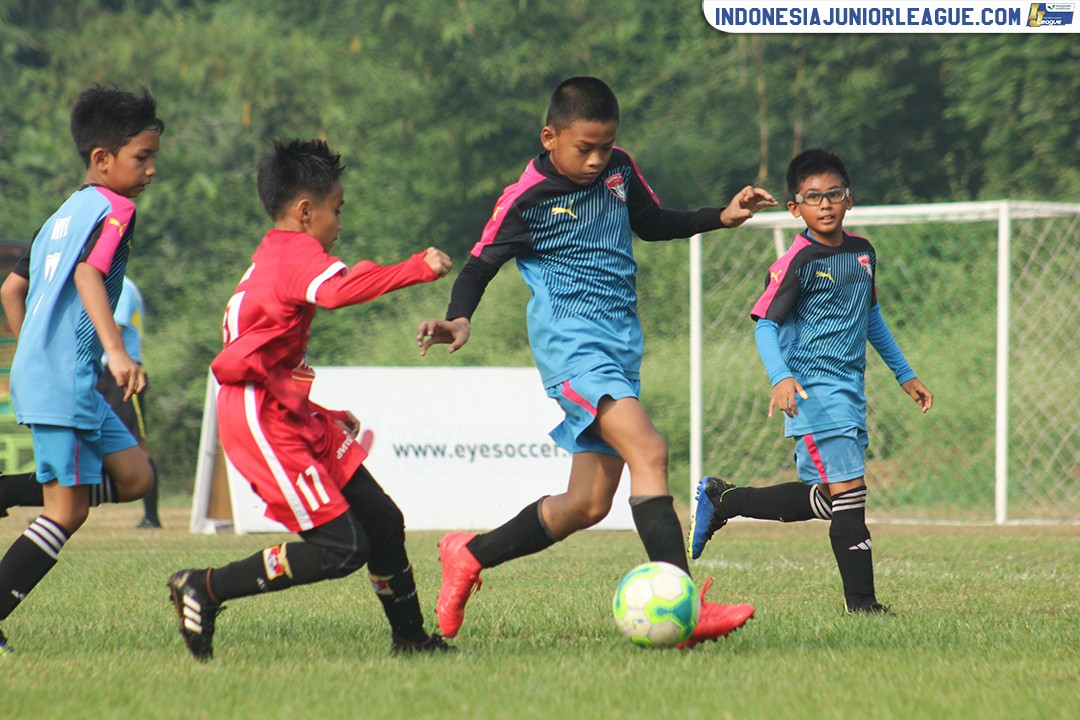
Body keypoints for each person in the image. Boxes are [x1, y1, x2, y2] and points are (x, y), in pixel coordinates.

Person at [417, 76, 775, 648]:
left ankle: (468, 553)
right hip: (573, 346)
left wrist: (720, 216)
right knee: (650, 450)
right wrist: (459, 319)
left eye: (605, 146)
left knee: (586, 504)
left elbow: (652, 222)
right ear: (550, 137)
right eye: (584, 147)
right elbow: (478, 265)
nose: (596, 159)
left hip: (619, 346)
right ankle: (684, 612)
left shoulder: (619, 169)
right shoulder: (526, 197)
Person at [166, 138, 454, 661]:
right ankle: (203, 587)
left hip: (283, 407)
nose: (339, 224)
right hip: (259, 418)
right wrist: (418, 267)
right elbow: (340, 292)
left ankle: (412, 642)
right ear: (305, 211)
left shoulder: (274, 255)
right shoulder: (297, 252)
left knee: (384, 523)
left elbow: (269, 350)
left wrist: (321, 412)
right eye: (336, 211)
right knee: (344, 549)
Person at [688, 148, 934, 614]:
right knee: (851, 496)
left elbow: (871, 317)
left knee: (833, 498)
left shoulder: (863, 252)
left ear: (849, 199)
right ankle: (863, 606)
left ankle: (725, 500)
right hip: (814, 394)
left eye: (833, 194)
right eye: (813, 197)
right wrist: (780, 376)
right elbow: (764, 323)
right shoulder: (797, 261)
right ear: (794, 208)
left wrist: (906, 374)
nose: (825, 204)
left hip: (850, 391)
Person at [0, 85, 162, 655]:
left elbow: (10, 289)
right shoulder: (116, 209)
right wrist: (116, 351)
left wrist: (33, 353)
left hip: (56, 376)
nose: (149, 171)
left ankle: (8, 490)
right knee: (67, 511)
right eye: (141, 158)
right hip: (67, 380)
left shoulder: (59, 217)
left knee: (136, 476)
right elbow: (89, 278)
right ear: (102, 159)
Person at [95, 276, 163, 529]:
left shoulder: (121, 286)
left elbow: (114, 328)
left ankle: (152, 517)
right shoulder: (98, 286)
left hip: (124, 375)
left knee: (138, 444)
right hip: (98, 372)